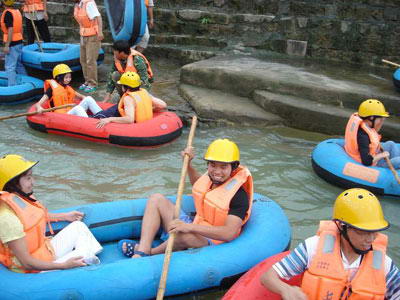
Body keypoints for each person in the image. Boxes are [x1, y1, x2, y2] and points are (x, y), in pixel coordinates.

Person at [119, 138, 253, 258]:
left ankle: (151, 253)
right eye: (213, 165)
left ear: (233, 167)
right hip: (196, 225)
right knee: (156, 199)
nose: (217, 171)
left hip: (213, 241)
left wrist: (188, 227)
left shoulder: (238, 196)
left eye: (223, 167)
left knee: (183, 235)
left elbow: (228, 233)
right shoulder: (211, 179)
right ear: (208, 165)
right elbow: (199, 184)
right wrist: (187, 164)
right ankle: (143, 249)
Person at [260, 188, 400, 299]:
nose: (370, 239)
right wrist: (286, 289)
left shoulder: (385, 265)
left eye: (374, 231)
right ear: (341, 226)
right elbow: (268, 277)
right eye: (362, 232)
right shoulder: (313, 247)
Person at [0, 154, 103, 273]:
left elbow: (33, 217)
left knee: (78, 226)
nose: (33, 182)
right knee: (86, 251)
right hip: (33, 269)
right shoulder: (7, 219)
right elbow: (27, 263)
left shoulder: (20, 198)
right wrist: (64, 265)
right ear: (13, 184)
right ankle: (87, 260)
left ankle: (87, 257)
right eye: (28, 178)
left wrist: (64, 216)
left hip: (44, 251)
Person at [71, 71, 165, 128]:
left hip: (103, 117)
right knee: (88, 99)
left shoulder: (128, 98)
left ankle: (61, 116)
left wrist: (109, 119)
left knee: (78, 109)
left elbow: (130, 119)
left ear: (125, 87)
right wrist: (148, 108)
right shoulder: (144, 92)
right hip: (106, 113)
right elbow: (162, 105)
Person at [344, 99, 400, 169]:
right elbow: (366, 161)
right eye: (380, 119)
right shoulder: (363, 136)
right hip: (372, 164)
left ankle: (397, 169)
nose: (381, 121)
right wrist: (382, 155)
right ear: (371, 117)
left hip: (372, 154)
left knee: (390, 144)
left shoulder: (365, 125)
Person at [34, 64, 102, 117]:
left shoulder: (67, 87)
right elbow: (38, 104)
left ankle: (102, 115)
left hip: (70, 110)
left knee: (88, 98)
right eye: (66, 77)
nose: (69, 79)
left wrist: (85, 99)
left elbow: (81, 96)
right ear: (58, 77)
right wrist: (39, 108)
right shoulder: (51, 90)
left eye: (69, 77)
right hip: (61, 115)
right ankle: (90, 124)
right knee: (77, 108)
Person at [73, 0, 103, 93]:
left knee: (90, 60)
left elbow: (98, 17)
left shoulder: (88, 3)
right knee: (83, 60)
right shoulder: (77, 4)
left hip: (93, 35)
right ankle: (87, 81)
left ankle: (93, 83)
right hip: (83, 35)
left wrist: (100, 32)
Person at [0, 0, 27, 86]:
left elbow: (10, 29)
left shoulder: (7, 13)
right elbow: (21, 28)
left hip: (12, 44)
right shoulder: (17, 11)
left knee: (9, 67)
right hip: (19, 42)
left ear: (3, 3)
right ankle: (26, 83)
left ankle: (12, 87)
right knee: (19, 65)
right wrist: (20, 39)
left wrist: (7, 46)